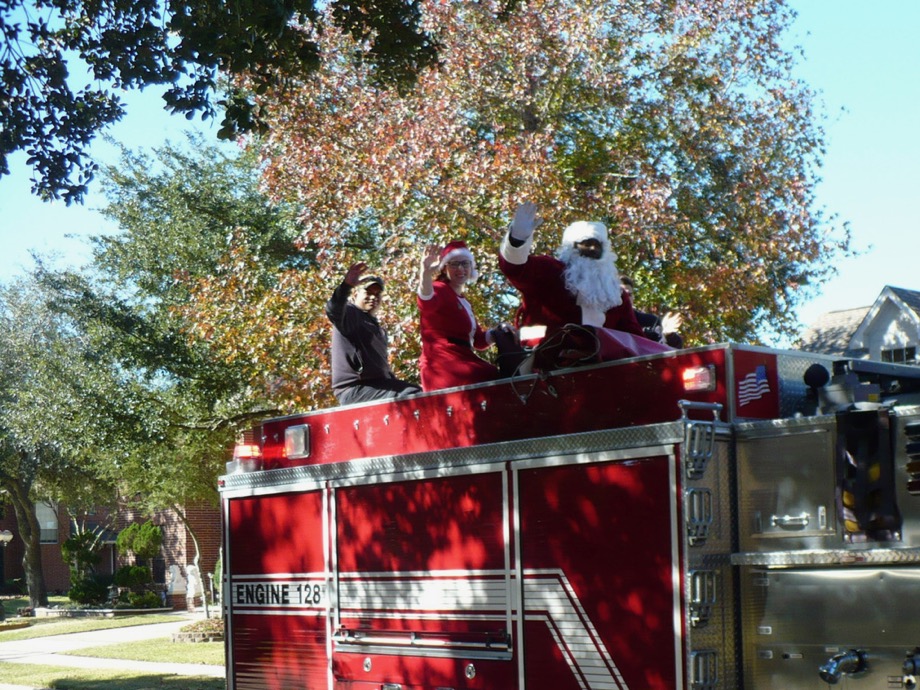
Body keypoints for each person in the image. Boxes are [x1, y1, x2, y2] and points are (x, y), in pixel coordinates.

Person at [498, 202, 671, 365]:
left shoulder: (614, 294)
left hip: (601, 372)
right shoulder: (549, 271)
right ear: (571, 248)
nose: (593, 249)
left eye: (598, 245)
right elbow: (514, 268)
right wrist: (517, 240)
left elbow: (632, 337)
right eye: (585, 244)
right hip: (547, 368)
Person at [417, 240, 515, 391]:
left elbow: (478, 341)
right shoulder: (439, 289)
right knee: (492, 377)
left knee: (505, 374)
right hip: (442, 364)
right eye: (454, 264)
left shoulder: (464, 301)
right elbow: (426, 301)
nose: (461, 268)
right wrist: (425, 273)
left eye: (465, 263)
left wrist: (498, 332)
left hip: (463, 358)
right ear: (444, 268)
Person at [325, 263, 421, 405]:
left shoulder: (377, 328)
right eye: (368, 293)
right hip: (354, 389)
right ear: (356, 294)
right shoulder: (350, 315)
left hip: (376, 386)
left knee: (420, 392)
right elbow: (334, 309)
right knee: (412, 395)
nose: (373, 297)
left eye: (377, 294)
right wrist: (346, 286)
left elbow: (382, 371)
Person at [619, 275, 684, 348]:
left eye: (629, 295)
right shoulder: (604, 322)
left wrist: (668, 335)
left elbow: (673, 349)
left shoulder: (650, 322)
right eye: (622, 295)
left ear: (633, 297)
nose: (626, 298)